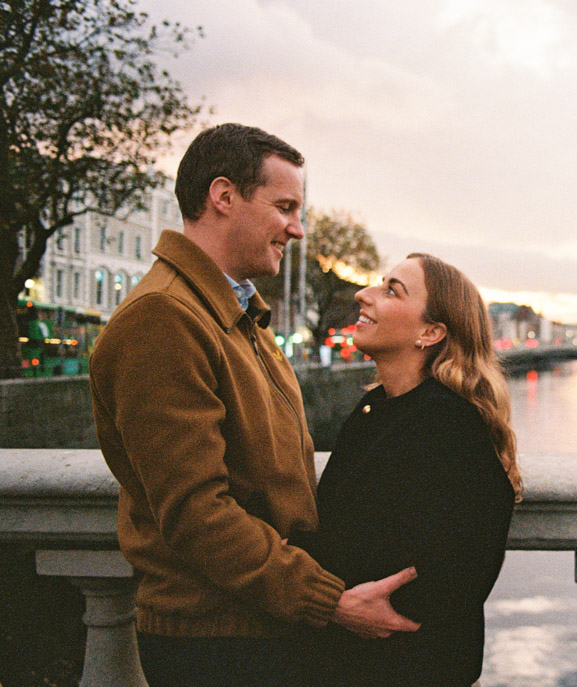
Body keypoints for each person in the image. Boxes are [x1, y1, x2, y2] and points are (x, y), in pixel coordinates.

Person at [89, 123, 419, 687]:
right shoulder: (164, 319)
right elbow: (197, 513)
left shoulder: (233, 311)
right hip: (216, 640)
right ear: (223, 196)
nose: (297, 228)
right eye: (284, 206)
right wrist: (329, 601)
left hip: (256, 622)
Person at [293, 253, 522, 686]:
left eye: (390, 290)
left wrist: (368, 605)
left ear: (430, 332)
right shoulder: (376, 410)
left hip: (401, 665)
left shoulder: (449, 424)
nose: (363, 294)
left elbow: (465, 563)